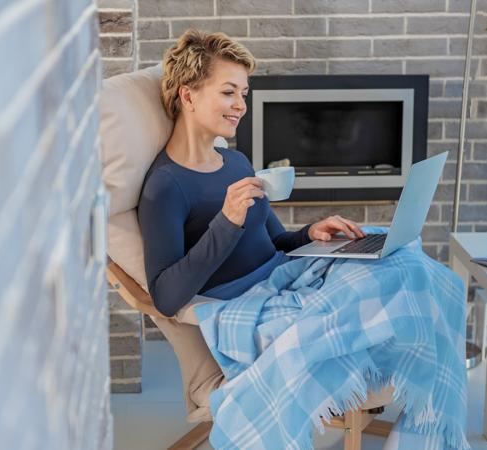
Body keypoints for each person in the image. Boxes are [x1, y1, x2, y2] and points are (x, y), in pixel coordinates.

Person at [138, 29, 365, 319]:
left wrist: (310, 232)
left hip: (286, 276)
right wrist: (227, 222)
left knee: (396, 260)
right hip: (253, 303)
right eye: (228, 92)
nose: (241, 106)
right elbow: (166, 298)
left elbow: (275, 243)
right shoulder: (165, 185)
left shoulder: (236, 162)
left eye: (243, 94)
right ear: (188, 96)